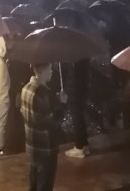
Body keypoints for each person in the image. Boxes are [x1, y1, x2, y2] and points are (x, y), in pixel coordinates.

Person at [21, 63, 63, 191]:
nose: (51, 71)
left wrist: (54, 100)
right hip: (45, 148)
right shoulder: (42, 93)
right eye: (50, 68)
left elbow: (32, 114)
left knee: (33, 183)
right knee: (45, 185)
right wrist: (62, 104)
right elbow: (50, 123)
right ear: (43, 71)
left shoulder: (26, 88)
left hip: (32, 146)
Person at [65, 59, 90, 158]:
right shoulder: (83, 58)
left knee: (77, 118)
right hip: (81, 91)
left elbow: (73, 78)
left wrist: (66, 90)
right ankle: (84, 144)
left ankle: (79, 146)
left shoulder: (75, 60)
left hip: (75, 92)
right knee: (80, 117)